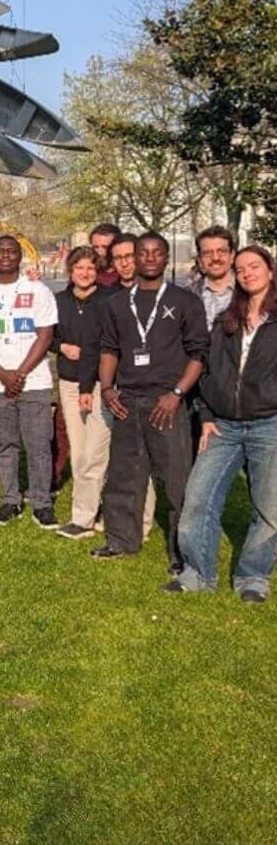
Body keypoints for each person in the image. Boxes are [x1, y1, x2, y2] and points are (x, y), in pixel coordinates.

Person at [93, 232, 208, 569]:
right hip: (128, 400)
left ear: (166, 256)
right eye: (144, 253)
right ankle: (121, 540)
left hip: (166, 403)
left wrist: (176, 394)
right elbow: (109, 349)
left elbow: (198, 354)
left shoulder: (185, 301)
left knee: (176, 480)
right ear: (137, 257)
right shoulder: (117, 303)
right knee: (123, 475)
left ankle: (182, 551)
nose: (150, 258)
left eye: (157, 252)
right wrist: (107, 388)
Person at [169, 246, 277, 601]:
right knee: (198, 499)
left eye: (254, 266)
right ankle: (198, 573)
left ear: (270, 270)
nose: (247, 273)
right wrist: (206, 414)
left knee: (269, 507)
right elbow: (208, 370)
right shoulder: (226, 321)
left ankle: (252, 578)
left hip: (268, 425)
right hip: (223, 426)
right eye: (241, 268)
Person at [0, 235, 59, 528]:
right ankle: (10, 499)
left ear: (20, 256)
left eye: (11, 251)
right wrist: (4, 375)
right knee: (5, 444)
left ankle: (42, 503)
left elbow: (45, 335)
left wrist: (19, 373)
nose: (5, 255)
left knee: (38, 445)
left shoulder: (38, 290)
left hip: (34, 380)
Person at [50, 246, 120, 539]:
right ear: (71, 270)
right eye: (80, 267)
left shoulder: (108, 300)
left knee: (96, 451)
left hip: (98, 384)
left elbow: (109, 342)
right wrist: (60, 346)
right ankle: (87, 509)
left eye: (91, 268)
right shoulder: (58, 301)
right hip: (68, 382)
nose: (85, 273)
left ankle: (86, 516)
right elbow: (47, 335)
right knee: (79, 452)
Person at [190, 226, 236, 330]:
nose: (215, 258)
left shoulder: (250, 293)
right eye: (207, 253)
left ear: (232, 256)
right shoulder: (188, 295)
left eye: (222, 251)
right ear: (200, 260)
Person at [89, 223, 122, 288]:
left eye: (105, 247)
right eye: (95, 247)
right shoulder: (85, 274)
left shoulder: (128, 276)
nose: (100, 253)